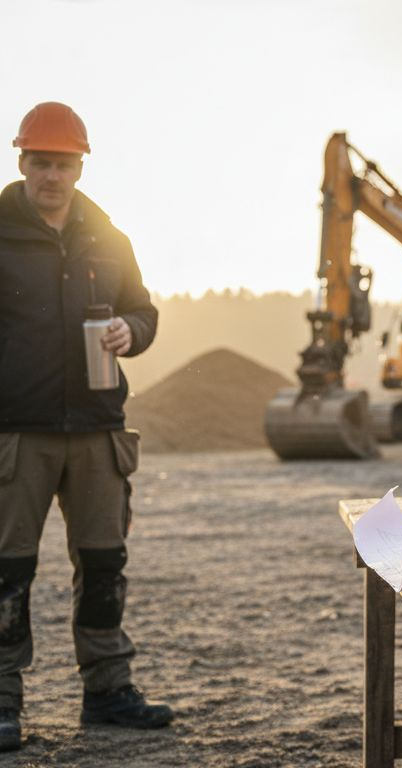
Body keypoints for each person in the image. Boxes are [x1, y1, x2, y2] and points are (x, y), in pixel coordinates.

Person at [0, 102, 172, 751]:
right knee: (7, 570)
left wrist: (134, 330)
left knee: (104, 564)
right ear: (22, 162)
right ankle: (2, 701)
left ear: (80, 168)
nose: (52, 175)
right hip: (16, 431)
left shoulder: (110, 238)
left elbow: (144, 311)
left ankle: (107, 692)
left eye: (63, 164)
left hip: (100, 430)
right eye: (41, 162)